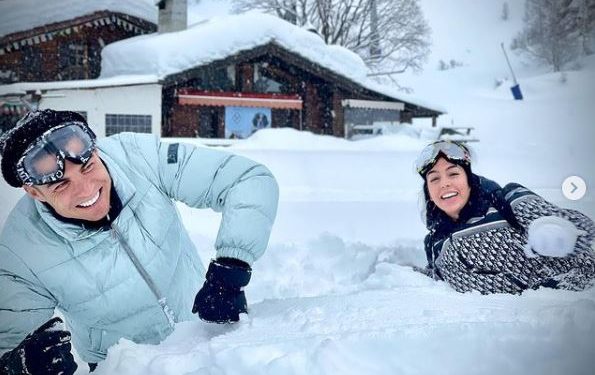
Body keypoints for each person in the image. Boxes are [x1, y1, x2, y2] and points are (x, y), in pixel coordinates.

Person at [0, 109, 279, 374]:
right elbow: (10, 344)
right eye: (61, 184)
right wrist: (20, 364)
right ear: (34, 192)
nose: (86, 190)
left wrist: (233, 265)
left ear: (95, 150)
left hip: (207, 338)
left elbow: (247, 180)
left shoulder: (139, 157)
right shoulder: (19, 253)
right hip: (124, 366)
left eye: (87, 167)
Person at [416, 140, 595, 294]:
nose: (445, 183)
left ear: (469, 179)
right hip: (519, 320)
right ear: (428, 191)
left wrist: (556, 231)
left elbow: (583, 230)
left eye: (453, 173)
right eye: (434, 179)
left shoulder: (509, 201)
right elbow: (432, 282)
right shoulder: (435, 243)